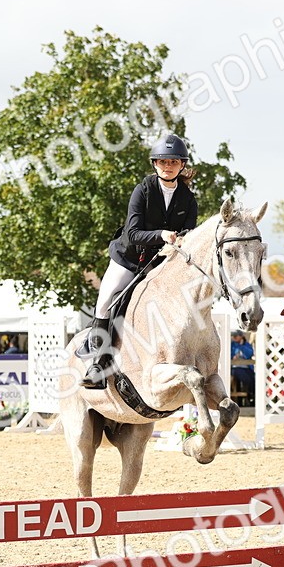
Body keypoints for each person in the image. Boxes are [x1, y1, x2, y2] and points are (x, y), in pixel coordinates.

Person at [81, 133, 199, 388]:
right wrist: (162, 235)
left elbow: (188, 235)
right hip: (129, 258)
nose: (168, 167)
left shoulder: (188, 200)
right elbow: (133, 233)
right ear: (155, 164)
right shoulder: (143, 189)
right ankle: (99, 364)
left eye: (173, 162)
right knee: (106, 300)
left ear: (182, 165)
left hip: (159, 265)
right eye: (163, 162)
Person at [230, 330, 255, 405]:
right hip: (235, 368)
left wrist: (241, 346)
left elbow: (249, 354)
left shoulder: (246, 344)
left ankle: (251, 396)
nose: (234, 337)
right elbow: (229, 354)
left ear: (241, 336)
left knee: (252, 378)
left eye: (236, 336)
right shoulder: (232, 345)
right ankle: (247, 397)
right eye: (233, 336)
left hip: (246, 367)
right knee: (246, 378)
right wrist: (233, 356)